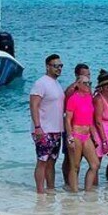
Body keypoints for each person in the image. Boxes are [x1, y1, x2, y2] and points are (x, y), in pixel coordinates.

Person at [29, 54, 65, 194]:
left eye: (60, 66)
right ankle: (40, 191)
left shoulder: (56, 84)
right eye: (56, 66)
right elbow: (33, 105)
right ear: (47, 67)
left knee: (52, 161)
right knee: (42, 161)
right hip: (44, 129)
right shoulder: (40, 83)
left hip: (56, 129)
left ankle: (51, 188)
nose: (59, 69)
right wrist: (37, 127)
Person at [64, 74, 100, 192]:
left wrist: (95, 137)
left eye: (89, 83)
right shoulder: (73, 99)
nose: (88, 85)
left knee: (95, 165)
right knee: (75, 167)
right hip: (76, 134)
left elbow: (91, 120)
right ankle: (74, 194)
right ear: (77, 85)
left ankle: (88, 192)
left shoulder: (89, 97)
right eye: (85, 83)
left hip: (87, 135)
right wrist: (70, 138)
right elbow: (68, 119)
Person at [61, 64, 91, 184]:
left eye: (89, 74)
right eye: (84, 74)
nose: (87, 77)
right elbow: (66, 113)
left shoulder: (87, 87)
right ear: (77, 76)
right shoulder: (71, 90)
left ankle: (72, 182)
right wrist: (70, 135)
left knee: (77, 160)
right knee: (69, 159)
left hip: (84, 129)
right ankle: (68, 183)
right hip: (72, 129)